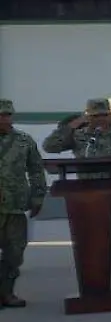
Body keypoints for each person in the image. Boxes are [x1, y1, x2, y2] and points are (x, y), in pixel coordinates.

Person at [42, 97, 111, 290]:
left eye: (104, 115)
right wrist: (71, 126)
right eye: (95, 116)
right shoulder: (79, 135)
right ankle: (92, 283)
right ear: (86, 116)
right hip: (87, 199)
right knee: (90, 243)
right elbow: (50, 146)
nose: (100, 119)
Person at [0, 99, 47, 309]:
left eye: (6, 115)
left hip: (15, 205)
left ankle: (7, 292)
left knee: (15, 252)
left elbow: (36, 169)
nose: (3, 119)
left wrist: (38, 196)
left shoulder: (24, 141)